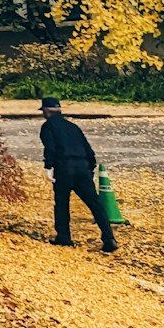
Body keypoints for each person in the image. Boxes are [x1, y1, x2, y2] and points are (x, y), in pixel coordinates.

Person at [39, 95, 116, 251]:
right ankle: (109, 238)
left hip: (64, 168)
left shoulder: (47, 127)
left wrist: (49, 167)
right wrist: (89, 169)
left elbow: (50, 148)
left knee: (62, 203)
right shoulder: (73, 127)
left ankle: (64, 237)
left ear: (46, 111)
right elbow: (89, 151)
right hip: (82, 167)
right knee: (95, 204)